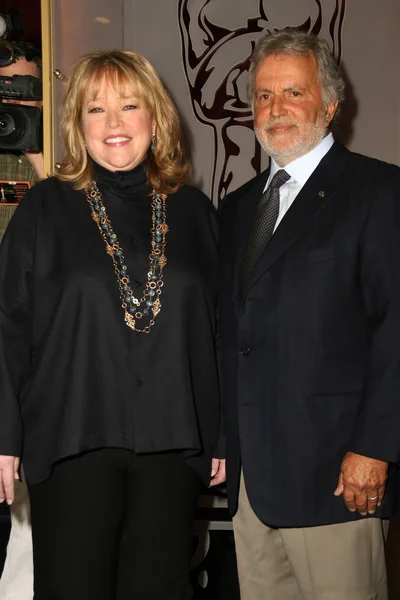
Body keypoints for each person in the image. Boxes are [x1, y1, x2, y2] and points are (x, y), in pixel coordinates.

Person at [0, 49, 225, 600]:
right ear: (78, 123)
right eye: (96, 109)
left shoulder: (196, 213)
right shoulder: (43, 209)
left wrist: (222, 436)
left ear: (156, 116)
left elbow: (219, 334)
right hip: (71, 439)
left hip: (172, 445)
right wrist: (4, 438)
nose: (115, 123)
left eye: (129, 105)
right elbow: (8, 326)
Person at [219, 28, 400, 600]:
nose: (276, 109)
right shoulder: (238, 208)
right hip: (253, 486)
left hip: (338, 481)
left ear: (330, 104)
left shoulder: (378, 192)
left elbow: (395, 327)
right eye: (265, 96)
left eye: (293, 93)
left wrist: (375, 448)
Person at [0, 40, 43, 600]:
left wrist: (40, 150)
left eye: (25, 92)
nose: (12, 103)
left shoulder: (67, 163)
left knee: (29, 542)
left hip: (33, 375)